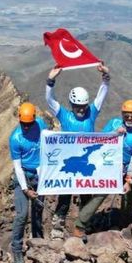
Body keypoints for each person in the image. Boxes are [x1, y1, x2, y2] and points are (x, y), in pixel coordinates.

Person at [44, 62, 110, 237]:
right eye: (77, 106)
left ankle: (84, 227)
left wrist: (105, 77)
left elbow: (102, 95)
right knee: (64, 198)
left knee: (86, 197)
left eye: (83, 106)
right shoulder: (64, 114)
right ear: (71, 105)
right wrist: (50, 81)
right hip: (69, 164)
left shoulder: (92, 113)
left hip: (86, 163)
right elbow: (50, 101)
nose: (81, 110)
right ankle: (57, 230)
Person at [69, 99, 132, 235]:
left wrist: (129, 180)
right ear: (122, 115)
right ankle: (80, 225)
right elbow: (101, 139)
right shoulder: (114, 123)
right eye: (126, 115)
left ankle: (125, 227)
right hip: (111, 166)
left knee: (129, 199)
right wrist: (114, 133)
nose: (129, 118)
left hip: (129, 168)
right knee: (100, 195)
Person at [9, 102, 48, 263]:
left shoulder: (40, 125)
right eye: (23, 124)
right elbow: (17, 166)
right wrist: (25, 189)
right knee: (22, 214)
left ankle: (37, 241)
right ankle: (16, 248)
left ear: (34, 120)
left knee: (38, 210)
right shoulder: (15, 138)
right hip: (23, 176)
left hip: (39, 175)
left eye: (28, 124)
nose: (26, 127)